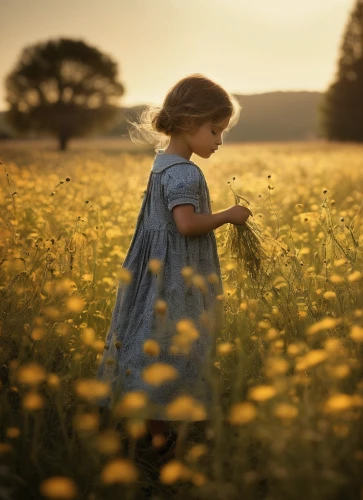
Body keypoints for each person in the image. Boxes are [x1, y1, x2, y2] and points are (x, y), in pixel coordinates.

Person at [95, 73, 252, 463]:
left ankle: (154, 433)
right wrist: (229, 215)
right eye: (215, 130)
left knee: (152, 344)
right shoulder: (185, 171)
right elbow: (186, 224)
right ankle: (165, 443)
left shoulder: (161, 164)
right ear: (187, 123)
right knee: (175, 349)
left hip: (153, 272)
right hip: (173, 278)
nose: (219, 141)